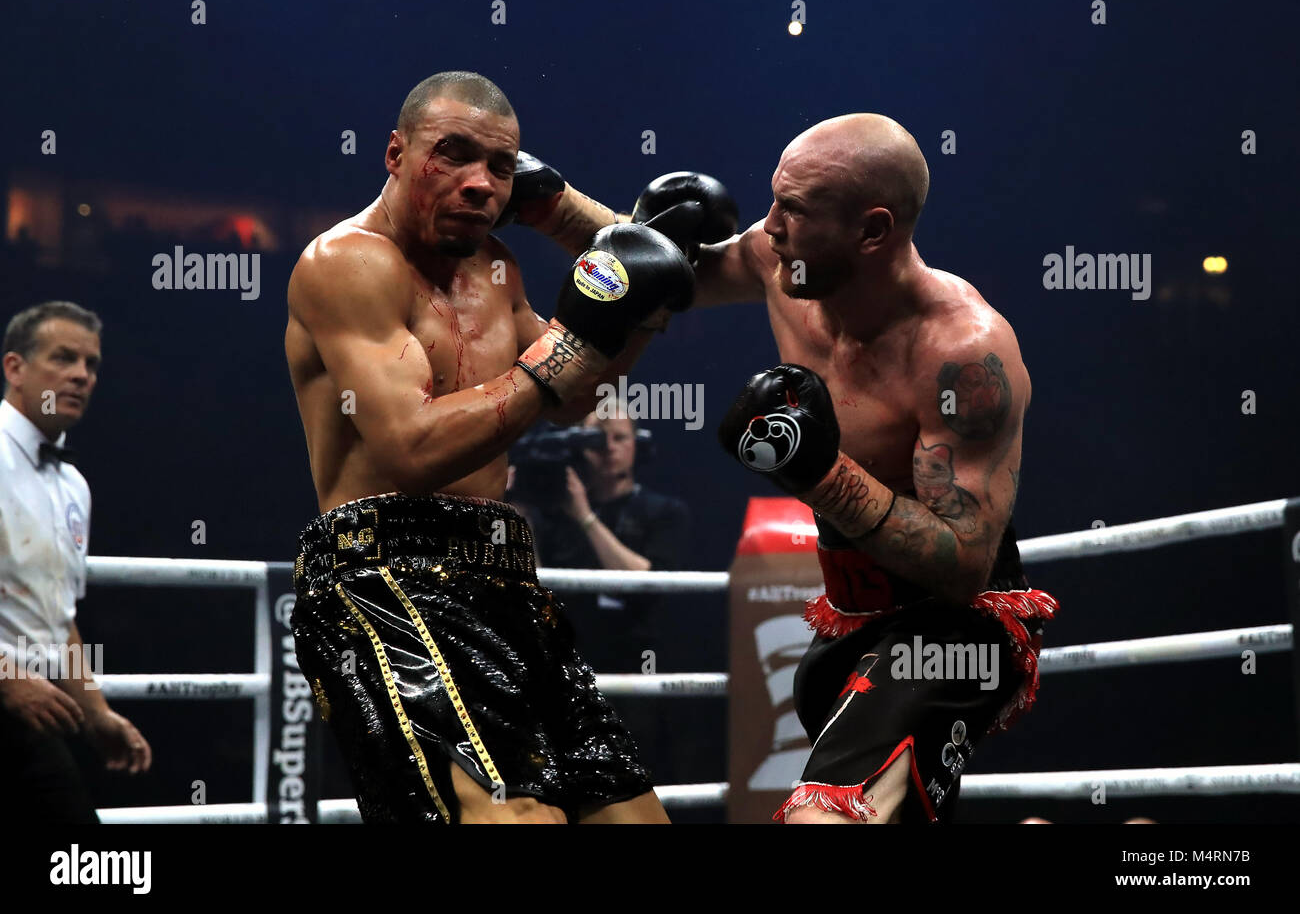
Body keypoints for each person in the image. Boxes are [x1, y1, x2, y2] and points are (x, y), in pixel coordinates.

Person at [283, 71, 722, 824]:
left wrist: (641, 308)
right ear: (394, 152)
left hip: (507, 577)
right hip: (386, 577)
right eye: (451, 155)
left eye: (499, 167)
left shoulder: (498, 271)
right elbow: (412, 447)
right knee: (510, 820)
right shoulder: (347, 264)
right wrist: (577, 340)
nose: (479, 183)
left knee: (635, 820)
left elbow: (579, 392)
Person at [627, 114, 1059, 822]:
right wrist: (545, 206)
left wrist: (822, 474)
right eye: (772, 200)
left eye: (792, 209)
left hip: (950, 632)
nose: (767, 227)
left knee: (824, 814)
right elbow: (655, 269)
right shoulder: (784, 265)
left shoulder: (962, 352)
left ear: (872, 230)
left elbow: (964, 565)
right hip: (846, 619)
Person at [0, 301, 153, 825]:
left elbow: (57, 617)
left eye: (90, 364)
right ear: (14, 368)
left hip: (36, 710)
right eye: (63, 359)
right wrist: (4, 677)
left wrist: (96, 713)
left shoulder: (72, 486)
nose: (81, 375)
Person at [511, 409, 690, 672]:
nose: (608, 448)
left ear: (637, 444)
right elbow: (536, 588)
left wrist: (585, 517)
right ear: (579, 445)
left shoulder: (664, 512)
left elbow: (650, 584)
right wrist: (521, 524)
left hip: (636, 661)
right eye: (596, 439)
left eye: (619, 438)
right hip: (567, 658)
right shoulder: (555, 513)